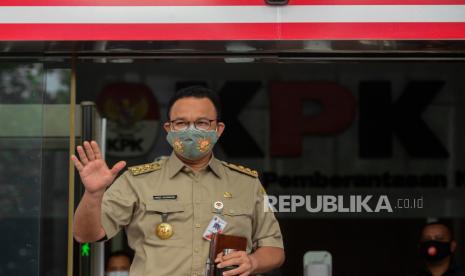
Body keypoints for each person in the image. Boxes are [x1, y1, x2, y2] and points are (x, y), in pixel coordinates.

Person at [72, 86, 285, 276]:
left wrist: (253, 261)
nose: (190, 130)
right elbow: (85, 235)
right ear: (169, 129)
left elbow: (274, 250)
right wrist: (93, 194)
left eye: (202, 123)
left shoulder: (246, 184)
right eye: (181, 123)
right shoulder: (137, 181)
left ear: (218, 129)